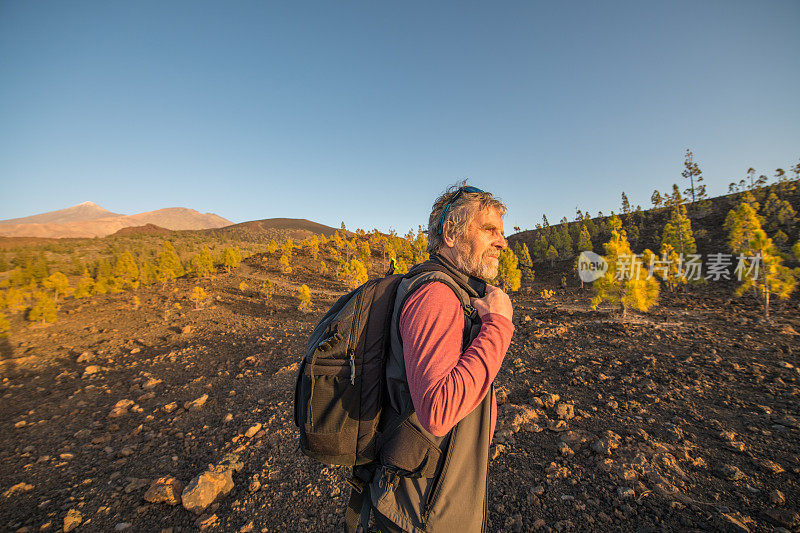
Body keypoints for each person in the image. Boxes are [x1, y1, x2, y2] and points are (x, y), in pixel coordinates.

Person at [365, 184, 514, 532]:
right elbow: (437, 411)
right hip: (421, 509)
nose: (502, 242)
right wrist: (498, 326)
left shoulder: (449, 289)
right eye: (489, 230)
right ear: (450, 233)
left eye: (502, 233)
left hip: (431, 491)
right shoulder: (437, 295)